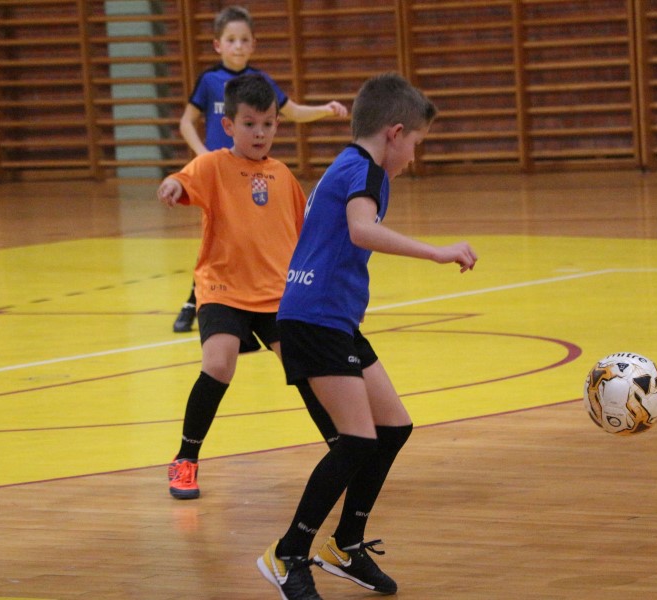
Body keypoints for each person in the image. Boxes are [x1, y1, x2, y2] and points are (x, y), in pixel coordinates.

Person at [256, 73, 478, 599]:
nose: (415, 156)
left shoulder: (349, 163)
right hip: (315, 319)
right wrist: (437, 251)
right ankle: (288, 555)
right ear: (396, 133)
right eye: (417, 144)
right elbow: (360, 229)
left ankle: (345, 545)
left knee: (393, 427)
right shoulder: (367, 171)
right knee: (356, 441)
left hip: (331, 319)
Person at [158, 73, 338, 501]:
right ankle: (185, 458)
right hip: (223, 289)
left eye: (269, 124)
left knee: (305, 370)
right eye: (250, 123)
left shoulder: (282, 176)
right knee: (219, 364)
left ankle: (342, 448)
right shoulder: (214, 165)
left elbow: (304, 235)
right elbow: (184, 179)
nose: (260, 133)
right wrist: (172, 184)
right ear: (228, 126)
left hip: (277, 295)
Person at [172, 4, 348, 334]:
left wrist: (325, 110)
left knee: (244, 243)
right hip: (218, 178)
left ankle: (239, 302)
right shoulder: (210, 81)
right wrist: (201, 158)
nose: (237, 46)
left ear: (254, 44)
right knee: (215, 243)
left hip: (250, 177)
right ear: (217, 45)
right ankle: (193, 302)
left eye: (244, 40)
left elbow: (291, 111)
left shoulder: (260, 82)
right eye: (231, 40)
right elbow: (186, 122)